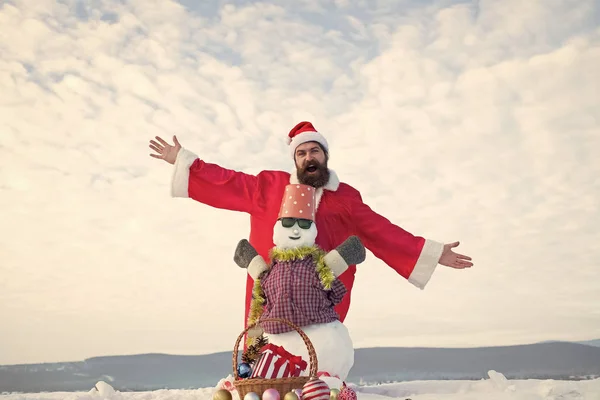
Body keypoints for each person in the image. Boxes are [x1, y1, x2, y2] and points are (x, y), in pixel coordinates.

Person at [148, 121, 473, 330]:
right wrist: (185, 160)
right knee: (266, 349)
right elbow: (227, 181)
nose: (308, 156)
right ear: (295, 159)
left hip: (321, 292)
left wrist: (428, 252)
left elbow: (379, 230)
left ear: (325, 155)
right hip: (271, 289)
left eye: (314, 150)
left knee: (317, 353)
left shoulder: (345, 197)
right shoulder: (269, 186)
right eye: (302, 152)